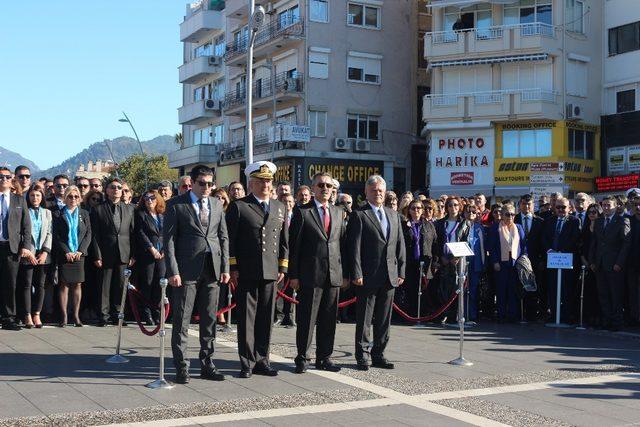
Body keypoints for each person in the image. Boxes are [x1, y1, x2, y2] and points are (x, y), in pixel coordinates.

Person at [164, 165, 230, 384]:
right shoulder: (176, 205)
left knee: (210, 320)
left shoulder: (217, 204)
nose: (207, 187)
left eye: (211, 184)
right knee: (182, 320)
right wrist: (173, 270)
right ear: (192, 183)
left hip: (212, 270)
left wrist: (225, 268)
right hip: (186, 271)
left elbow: (223, 238)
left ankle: (207, 363)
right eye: (202, 183)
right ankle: (182, 366)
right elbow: (169, 241)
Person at [226, 161, 288, 378]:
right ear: (251, 183)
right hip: (247, 270)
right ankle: (247, 362)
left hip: (271, 271)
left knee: (265, 317)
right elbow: (230, 241)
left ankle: (263, 359)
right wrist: (233, 267)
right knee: (247, 319)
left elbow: (283, 240)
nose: (265, 185)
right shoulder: (239, 206)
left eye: (268, 181)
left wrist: (283, 265)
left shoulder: (279, 207)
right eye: (261, 181)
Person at [288, 172, 346, 373]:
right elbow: (294, 246)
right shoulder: (302, 212)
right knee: (307, 320)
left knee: (329, 320)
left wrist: (344, 273)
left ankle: (325, 357)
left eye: (329, 186)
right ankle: (302, 357)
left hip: (333, 274)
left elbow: (342, 244)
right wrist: (293, 274)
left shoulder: (338, 212)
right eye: (320, 185)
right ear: (313, 189)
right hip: (310, 275)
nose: (325, 189)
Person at [346, 175, 405, 371]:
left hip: (389, 275)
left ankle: (379, 353)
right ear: (366, 192)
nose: (378, 193)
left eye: (380, 190)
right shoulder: (359, 215)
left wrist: (401, 270)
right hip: (367, 276)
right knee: (364, 318)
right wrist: (356, 272)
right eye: (374, 190)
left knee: (384, 319)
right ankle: (362, 355)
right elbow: (353, 247)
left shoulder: (393, 215)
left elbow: (399, 245)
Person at [90, 178, 135, 326]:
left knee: (120, 285)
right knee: (104, 285)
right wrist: (97, 255)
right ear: (107, 190)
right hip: (105, 253)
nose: (116, 190)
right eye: (113, 187)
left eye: (119, 187)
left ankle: (118, 315)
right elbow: (95, 234)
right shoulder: (98, 209)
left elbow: (133, 233)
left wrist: (133, 254)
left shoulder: (130, 209)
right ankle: (103, 315)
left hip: (124, 252)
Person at [589, 196, 631, 331]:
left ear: (615, 206)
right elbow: (594, 243)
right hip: (600, 264)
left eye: (609, 205)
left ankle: (616, 322)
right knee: (603, 294)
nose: (606, 208)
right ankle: (606, 320)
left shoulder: (622, 220)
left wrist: (619, 263)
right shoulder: (599, 221)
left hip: (615, 265)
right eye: (604, 205)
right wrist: (592, 261)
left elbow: (626, 244)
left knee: (616, 295)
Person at [52, 185, 91, 327]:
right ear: (65, 197)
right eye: (70, 196)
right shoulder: (57, 214)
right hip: (65, 254)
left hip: (79, 254)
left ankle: (76, 315)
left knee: (77, 284)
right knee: (64, 284)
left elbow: (88, 234)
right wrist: (66, 251)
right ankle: (64, 316)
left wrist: (81, 250)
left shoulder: (84, 214)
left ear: (79, 198)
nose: (73, 199)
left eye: (76, 196)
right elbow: (56, 236)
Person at [0, 167, 33, 330]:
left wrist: (26, 246)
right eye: (1, 177)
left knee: (10, 284)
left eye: (7, 177)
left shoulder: (19, 200)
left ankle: (8, 317)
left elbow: (27, 226)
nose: (3, 179)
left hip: (11, 247)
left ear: (12, 179)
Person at [541, 196, 580, 323]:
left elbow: (575, 239)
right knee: (553, 289)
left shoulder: (574, 221)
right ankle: (554, 314)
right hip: (552, 260)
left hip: (566, 260)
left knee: (567, 289)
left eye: (563, 207)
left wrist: (562, 251)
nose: (561, 210)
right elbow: (545, 238)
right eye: (558, 207)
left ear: (569, 208)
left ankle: (567, 316)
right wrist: (550, 250)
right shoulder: (549, 220)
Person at [488, 204, 526, 322]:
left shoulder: (518, 227)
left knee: (513, 289)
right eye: (507, 214)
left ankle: (513, 315)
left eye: (512, 214)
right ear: (502, 216)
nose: (510, 216)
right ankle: (501, 314)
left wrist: (524, 259)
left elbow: (523, 245)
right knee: (501, 290)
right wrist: (495, 262)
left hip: (515, 263)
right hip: (501, 263)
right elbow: (491, 247)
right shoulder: (495, 227)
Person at [20, 185, 52, 328]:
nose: (35, 198)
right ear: (28, 197)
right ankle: (27, 315)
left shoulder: (47, 213)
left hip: (42, 254)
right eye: (32, 195)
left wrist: (45, 251)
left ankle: (37, 314)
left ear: (42, 197)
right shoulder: (23, 211)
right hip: (28, 253)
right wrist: (27, 251)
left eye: (38, 195)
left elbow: (50, 233)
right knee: (26, 285)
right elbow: (20, 232)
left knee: (40, 285)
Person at [434, 197, 470, 323]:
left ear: (459, 206)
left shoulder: (465, 223)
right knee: (443, 288)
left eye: (455, 205)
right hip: (444, 258)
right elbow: (437, 242)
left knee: (456, 288)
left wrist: (458, 257)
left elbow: (466, 242)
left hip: (457, 260)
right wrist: (441, 257)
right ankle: (442, 313)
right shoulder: (440, 223)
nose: (452, 208)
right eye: (450, 205)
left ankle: (453, 316)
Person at [399, 199, 436, 319]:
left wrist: (435, 262)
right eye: (413, 208)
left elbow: (435, 244)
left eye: (419, 208)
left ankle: (423, 314)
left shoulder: (429, 225)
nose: (416, 210)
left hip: (424, 263)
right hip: (409, 263)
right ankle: (411, 315)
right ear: (409, 210)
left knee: (424, 290)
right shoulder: (404, 225)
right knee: (411, 290)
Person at [134, 190, 166, 326]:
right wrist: (152, 249)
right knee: (147, 283)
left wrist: (163, 249)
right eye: (146, 198)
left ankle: (157, 312)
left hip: (162, 254)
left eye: (152, 198)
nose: (149, 200)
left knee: (159, 283)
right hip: (147, 253)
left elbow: (167, 233)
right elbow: (140, 233)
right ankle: (147, 314)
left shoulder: (162, 215)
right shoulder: (141, 214)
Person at [514, 194, 545, 320]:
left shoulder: (540, 221)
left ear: (533, 205)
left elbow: (543, 242)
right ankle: (519, 314)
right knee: (518, 287)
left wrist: (542, 259)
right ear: (520, 205)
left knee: (534, 287)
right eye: (523, 203)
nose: (526, 206)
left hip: (535, 260)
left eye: (529, 204)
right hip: (518, 259)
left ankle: (532, 314)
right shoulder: (514, 219)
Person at [579, 203, 602, 327]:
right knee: (588, 292)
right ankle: (589, 317)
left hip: (599, 264)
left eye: (594, 212)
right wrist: (585, 261)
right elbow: (581, 246)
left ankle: (599, 317)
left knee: (599, 292)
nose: (592, 214)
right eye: (590, 212)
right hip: (586, 264)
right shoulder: (585, 227)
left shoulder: (602, 226)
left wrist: (594, 263)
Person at [463, 203, 485, 323]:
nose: (470, 214)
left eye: (473, 212)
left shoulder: (479, 228)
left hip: (476, 263)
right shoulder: (461, 225)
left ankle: (472, 314)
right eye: (468, 211)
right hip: (463, 263)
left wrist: (483, 263)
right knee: (463, 290)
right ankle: (463, 313)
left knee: (473, 290)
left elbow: (483, 247)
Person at [626, 198, 640, 326]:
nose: (638, 207)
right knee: (632, 291)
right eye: (636, 205)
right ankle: (634, 317)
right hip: (631, 263)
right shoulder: (628, 221)